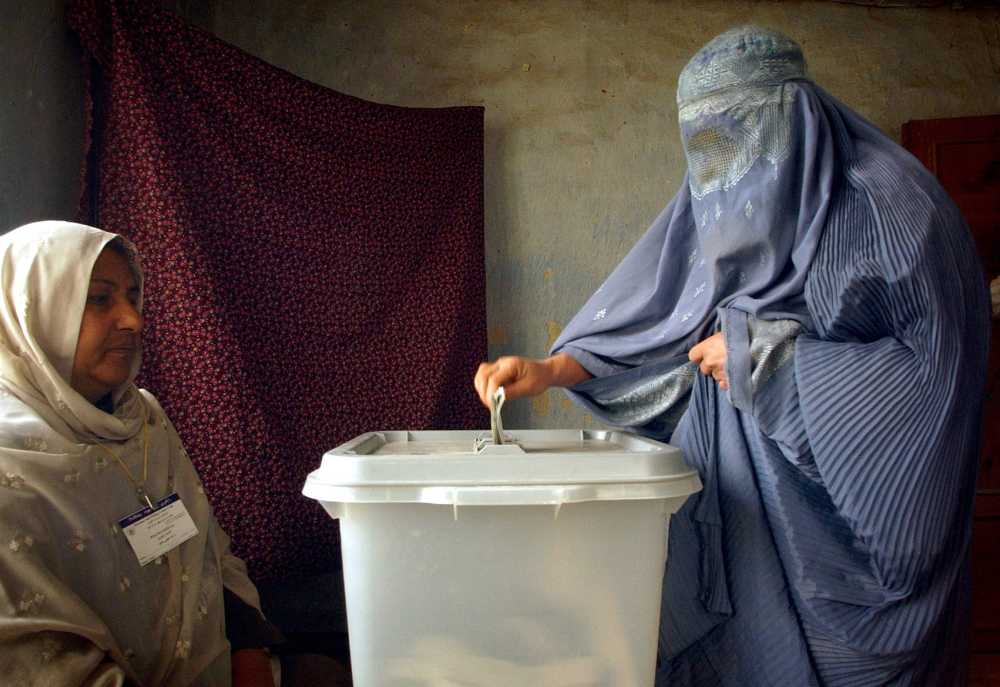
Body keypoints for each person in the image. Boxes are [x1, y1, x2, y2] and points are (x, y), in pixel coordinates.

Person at [475, 26, 989, 685]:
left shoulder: (900, 213)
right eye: (705, 150)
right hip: (745, 521)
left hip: (853, 556)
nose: (723, 179)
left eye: (741, 141)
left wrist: (768, 362)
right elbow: (663, 309)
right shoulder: (717, 195)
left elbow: (934, 389)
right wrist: (550, 372)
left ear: (799, 117)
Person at [0, 221, 346, 687]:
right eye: (100, 298)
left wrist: (250, 652)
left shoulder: (142, 418)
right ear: (31, 310)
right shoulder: (10, 461)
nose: (132, 319)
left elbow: (208, 551)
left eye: (132, 296)